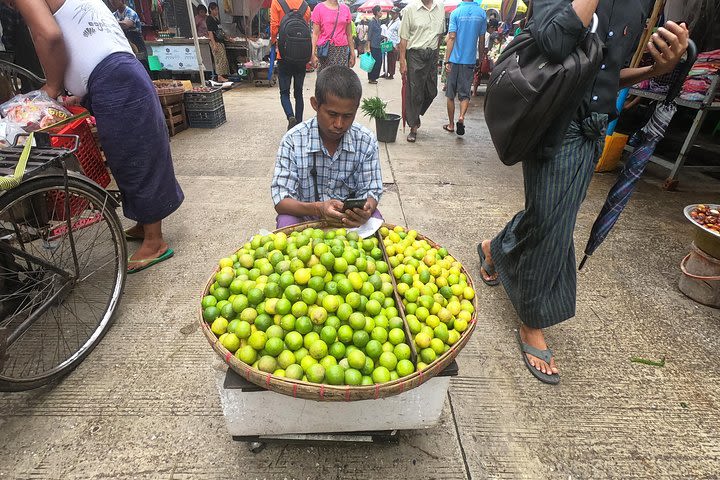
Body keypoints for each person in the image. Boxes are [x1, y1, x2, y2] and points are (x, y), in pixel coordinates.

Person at [477, 0, 689, 384]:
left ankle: (494, 247)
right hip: (550, 120)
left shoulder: (639, 3)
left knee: (551, 215)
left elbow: (605, 74)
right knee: (551, 222)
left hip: (592, 129)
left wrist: (657, 70)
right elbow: (556, 42)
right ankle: (533, 320)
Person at [10, 0, 184, 273]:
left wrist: (52, 87)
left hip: (115, 77)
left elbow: (50, 35)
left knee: (134, 155)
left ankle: (155, 241)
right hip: (113, 75)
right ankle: (145, 222)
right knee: (122, 155)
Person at [271, 65, 383, 229]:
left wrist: (367, 209)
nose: (339, 124)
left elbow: (372, 190)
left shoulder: (366, 141)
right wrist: (318, 208)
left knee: (376, 219)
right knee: (286, 220)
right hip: (306, 216)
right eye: (332, 114)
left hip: (349, 219)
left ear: (356, 108)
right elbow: (281, 201)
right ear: (315, 104)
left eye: (347, 116)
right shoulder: (293, 140)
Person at [398, 0, 445, 143]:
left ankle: (415, 113)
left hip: (432, 54)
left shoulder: (440, 8)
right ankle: (413, 127)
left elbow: (439, 35)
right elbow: (403, 38)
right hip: (415, 55)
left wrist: (435, 55)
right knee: (415, 92)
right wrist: (402, 61)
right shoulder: (410, 10)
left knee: (432, 91)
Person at [442, 0, 485, 136]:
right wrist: (481, 58)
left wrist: (447, 60)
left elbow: (452, 37)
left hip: (454, 60)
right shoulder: (481, 13)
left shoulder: (456, 12)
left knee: (450, 94)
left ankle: (450, 124)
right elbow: (482, 40)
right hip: (469, 60)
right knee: (465, 94)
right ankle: (461, 117)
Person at [270, 0, 311, 130]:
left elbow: (274, 28)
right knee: (298, 93)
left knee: (284, 92)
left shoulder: (276, 3)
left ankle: (290, 117)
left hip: (284, 55)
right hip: (301, 57)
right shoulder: (305, 6)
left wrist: (273, 41)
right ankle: (299, 124)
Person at [310, 0, 355, 72]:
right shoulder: (319, 8)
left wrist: (352, 54)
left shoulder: (345, 9)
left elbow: (349, 34)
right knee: (325, 79)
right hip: (325, 51)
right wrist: (312, 54)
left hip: (342, 51)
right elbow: (315, 34)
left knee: (341, 79)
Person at [110, 0, 148, 71]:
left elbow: (126, 24)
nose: (112, 2)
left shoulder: (131, 12)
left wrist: (111, 21)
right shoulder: (113, 15)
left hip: (137, 45)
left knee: (142, 68)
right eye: (110, 0)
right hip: (124, 46)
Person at [206, 2, 230, 83]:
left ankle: (223, 75)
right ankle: (219, 76)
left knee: (223, 59)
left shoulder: (216, 19)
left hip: (220, 41)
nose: (217, 12)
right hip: (215, 42)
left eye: (217, 10)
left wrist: (228, 38)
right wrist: (214, 44)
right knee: (219, 59)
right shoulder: (209, 19)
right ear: (210, 9)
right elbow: (210, 32)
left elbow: (220, 31)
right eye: (215, 10)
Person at [383, 8, 401, 79]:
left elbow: (400, 34)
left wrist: (397, 44)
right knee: (387, 58)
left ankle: (391, 74)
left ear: (397, 14)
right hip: (388, 43)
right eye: (391, 13)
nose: (392, 15)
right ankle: (386, 72)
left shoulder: (399, 23)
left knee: (392, 59)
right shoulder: (391, 21)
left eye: (393, 13)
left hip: (394, 44)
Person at [367, 6, 383, 84]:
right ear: (377, 12)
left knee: (379, 62)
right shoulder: (372, 22)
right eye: (380, 12)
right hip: (373, 46)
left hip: (379, 45)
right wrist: (368, 48)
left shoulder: (379, 21)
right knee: (373, 62)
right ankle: (371, 78)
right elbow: (369, 36)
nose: (381, 13)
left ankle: (375, 77)